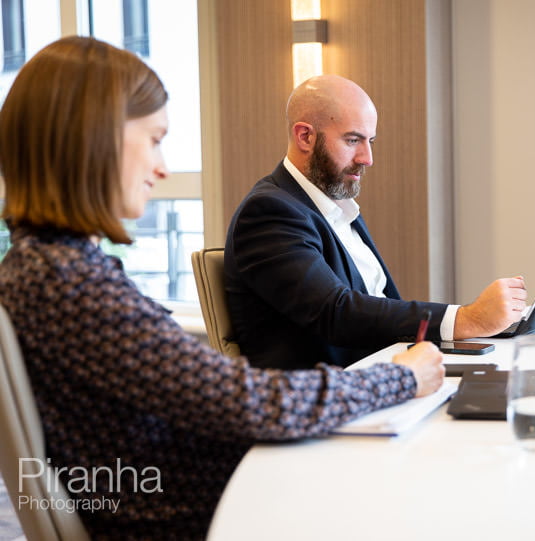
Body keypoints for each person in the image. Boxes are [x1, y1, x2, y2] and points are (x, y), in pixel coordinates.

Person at [0, 37, 444, 540]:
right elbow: (249, 402)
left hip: (216, 494)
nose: (162, 167)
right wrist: (400, 380)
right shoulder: (68, 282)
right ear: (90, 140)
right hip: (207, 515)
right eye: (154, 139)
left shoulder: (49, 267)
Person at [225, 74, 527, 370]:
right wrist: (466, 319)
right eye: (353, 140)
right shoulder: (269, 211)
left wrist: (483, 326)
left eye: (370, 141)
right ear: (305, 136)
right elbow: (337, 313)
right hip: (327, 402)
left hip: (384, 377)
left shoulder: (338, 207)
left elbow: (377, 306)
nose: (367, 157)